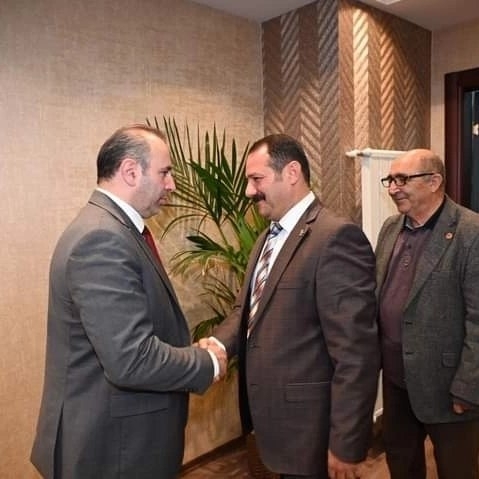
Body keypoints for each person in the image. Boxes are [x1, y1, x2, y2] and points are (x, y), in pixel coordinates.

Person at [30, 124, 227, 479]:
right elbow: (131, 359)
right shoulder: (101, 238)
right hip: (112, 451)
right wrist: (206, 362)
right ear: (131, 171)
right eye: (165, 172)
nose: (172, 184)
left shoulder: (113, 228)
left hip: (120, 440)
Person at [200, 134, 380, 479]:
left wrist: (347, 442)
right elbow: (246, 311)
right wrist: (218, 345)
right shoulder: (267, 237)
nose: (249, 191)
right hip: (274, 425)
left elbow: (356, 353)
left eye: (257, 179)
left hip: (311, 434)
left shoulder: (336, 237)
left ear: (292, 172)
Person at [376, 148, 479, 479]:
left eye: (402, 179)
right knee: (401, 464)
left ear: (434, 181)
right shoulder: (390, 228)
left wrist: (468, 386)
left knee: (456, 469)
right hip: (396, 380)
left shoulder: (471, 232)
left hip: (447, 386)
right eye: (390, 180)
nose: (393, 188)